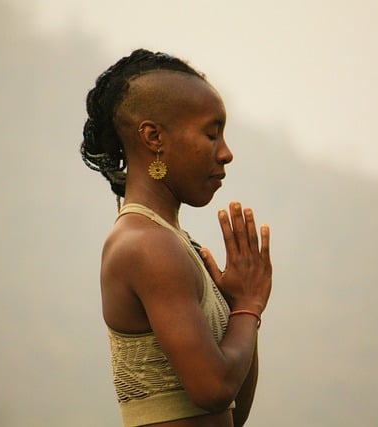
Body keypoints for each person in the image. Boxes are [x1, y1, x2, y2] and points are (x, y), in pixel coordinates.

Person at [80, 49, 273, 427]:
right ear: (153, 137)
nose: (226, 153)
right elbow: (214, 389)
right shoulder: (148, 246)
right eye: (211, 134)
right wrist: (249, 306)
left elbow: (231, 410)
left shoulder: (174, 243)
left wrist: (241, 309)